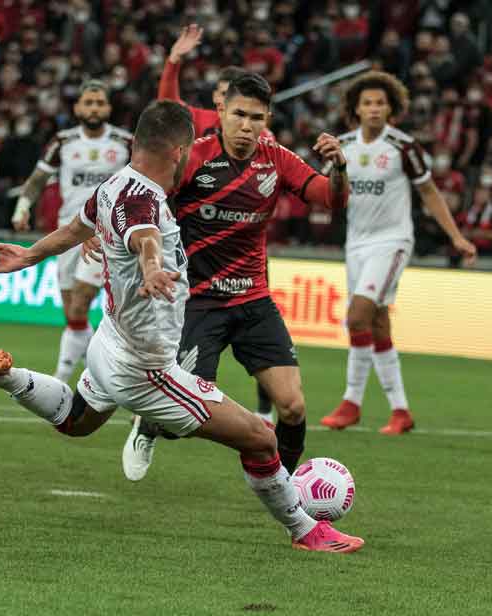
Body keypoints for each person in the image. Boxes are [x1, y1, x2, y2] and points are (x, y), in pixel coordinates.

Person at [0, 100, 363, 553]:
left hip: (108, 341)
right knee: (260, 437)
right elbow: (145, 236)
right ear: (179, 152)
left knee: (77, 420)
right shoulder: (144, 200)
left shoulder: (113, 186)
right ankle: (305, 530)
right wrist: (152, 267)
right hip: (144, 367)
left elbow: (77, 228)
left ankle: (4, 376)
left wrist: (28, 255)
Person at [117, 72, 349, 481]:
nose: (247, 125)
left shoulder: (276, 159)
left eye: (256, 117)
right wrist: (101, 234)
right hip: (199, 302)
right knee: (183, 418)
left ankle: (285, 489)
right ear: (221, 111)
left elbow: (332, 198)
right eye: (239, 114)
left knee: (292, 406)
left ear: (267, 119)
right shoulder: (193, 156)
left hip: (252, 301)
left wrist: (338, 168)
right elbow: (140, 194)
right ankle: (148, 424)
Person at [319, 70, 477, 435]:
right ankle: (400, 410)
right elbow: (331, 191)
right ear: (355, 110)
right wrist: (337, 168)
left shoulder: (404, 147)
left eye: (380, 103)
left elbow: (429, 193)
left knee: (357, 316)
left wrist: (455, 236)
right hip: (356, 243)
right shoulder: (342, 145)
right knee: (377, 322)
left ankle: (351, 402)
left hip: (392, 241)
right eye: (367, 103)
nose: (374, 109)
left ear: (392, 108)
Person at [158, 24, 275, 420]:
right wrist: (173, 61)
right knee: (185, 331)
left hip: (244, 249)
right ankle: (164, 397)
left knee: (260, 318)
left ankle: (263, 408)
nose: (243, 118)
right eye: (227, 98)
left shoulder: (259, 134)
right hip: (195, 247)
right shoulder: (197, 125)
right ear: (217, 102)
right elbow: (167, 103)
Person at [10, 80, 132, 385]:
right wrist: (22, 207)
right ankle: (100, 368)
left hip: (107, 233)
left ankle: (60, 378)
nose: (93, 108)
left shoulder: (125, 142)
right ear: (77, 108)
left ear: (108, 107)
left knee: (80, 300)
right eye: (88, 102)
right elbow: (38, 178)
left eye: (99, 102)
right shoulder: (63, 142)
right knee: (72, 314)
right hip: (67, 231)